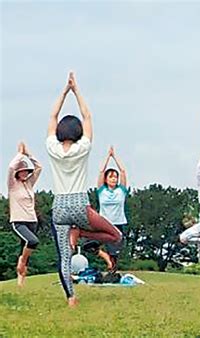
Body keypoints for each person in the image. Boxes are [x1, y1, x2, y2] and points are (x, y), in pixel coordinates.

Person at [46, 72, 122, 307]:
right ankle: (80, 233)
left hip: (58, 206)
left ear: (59, 132)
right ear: (77, 132)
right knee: (115, 236)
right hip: (79, 203)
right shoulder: (83, 148)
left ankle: (71, 299)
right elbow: (88, 116)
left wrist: (63, 91)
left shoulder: (52, 147)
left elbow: (52, 115)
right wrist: (76, 90)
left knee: (64, 257)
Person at [7, 142, 42, 287]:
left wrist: (28, 154)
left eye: (26, 171)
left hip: (32, 220)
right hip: (18, 221)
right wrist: (20, 154)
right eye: (21, 171)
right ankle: (21, 261)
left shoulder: (29, 184)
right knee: (32, 242)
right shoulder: (12, 185)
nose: (25, 173)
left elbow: (39, 167)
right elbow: (10, 167)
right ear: (17, 172)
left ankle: (20, 283)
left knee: (25, 251)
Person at [89, 146, 129, 271]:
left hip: (118, 223)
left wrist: (115, 156)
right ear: (106, 179)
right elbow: (101, 172)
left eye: (115, 177)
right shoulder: (102, 191)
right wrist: (107, 157)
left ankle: (112, 269)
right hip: (104, 223)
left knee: (114, 252)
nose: (113, 179)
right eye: (111, 176)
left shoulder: (121, 191)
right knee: (89, 245)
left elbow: (123, 171)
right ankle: (105, 257)